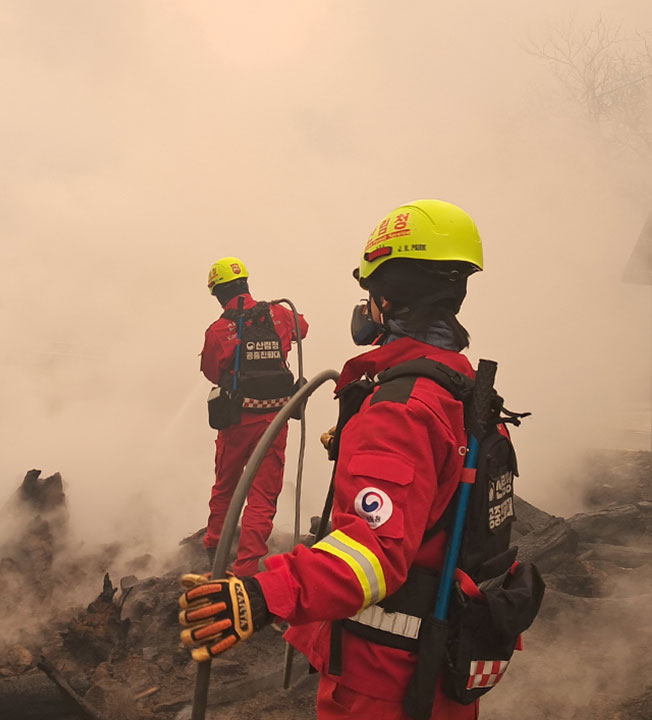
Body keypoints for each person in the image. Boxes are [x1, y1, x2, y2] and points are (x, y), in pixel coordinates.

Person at [179, 201, 539, 719]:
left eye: (368, 291)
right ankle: (236, 551)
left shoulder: (398, 409)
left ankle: (226, 550)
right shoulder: (459, 385)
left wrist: (261, 595)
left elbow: (373, 554)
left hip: (384, 682)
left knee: (230, 488)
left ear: (385, 296)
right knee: (262, 495)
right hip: (443, 664)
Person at [201, 256, 308, 578]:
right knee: (263, 496)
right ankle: (245, 569)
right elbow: (303, 328)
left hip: (237, 421)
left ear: (218, 293)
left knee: (226, 486)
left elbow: (211, 372)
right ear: (246, 283)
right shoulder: (279, 313)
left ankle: (214, 549)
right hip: (276, 420)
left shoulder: (219, 330)